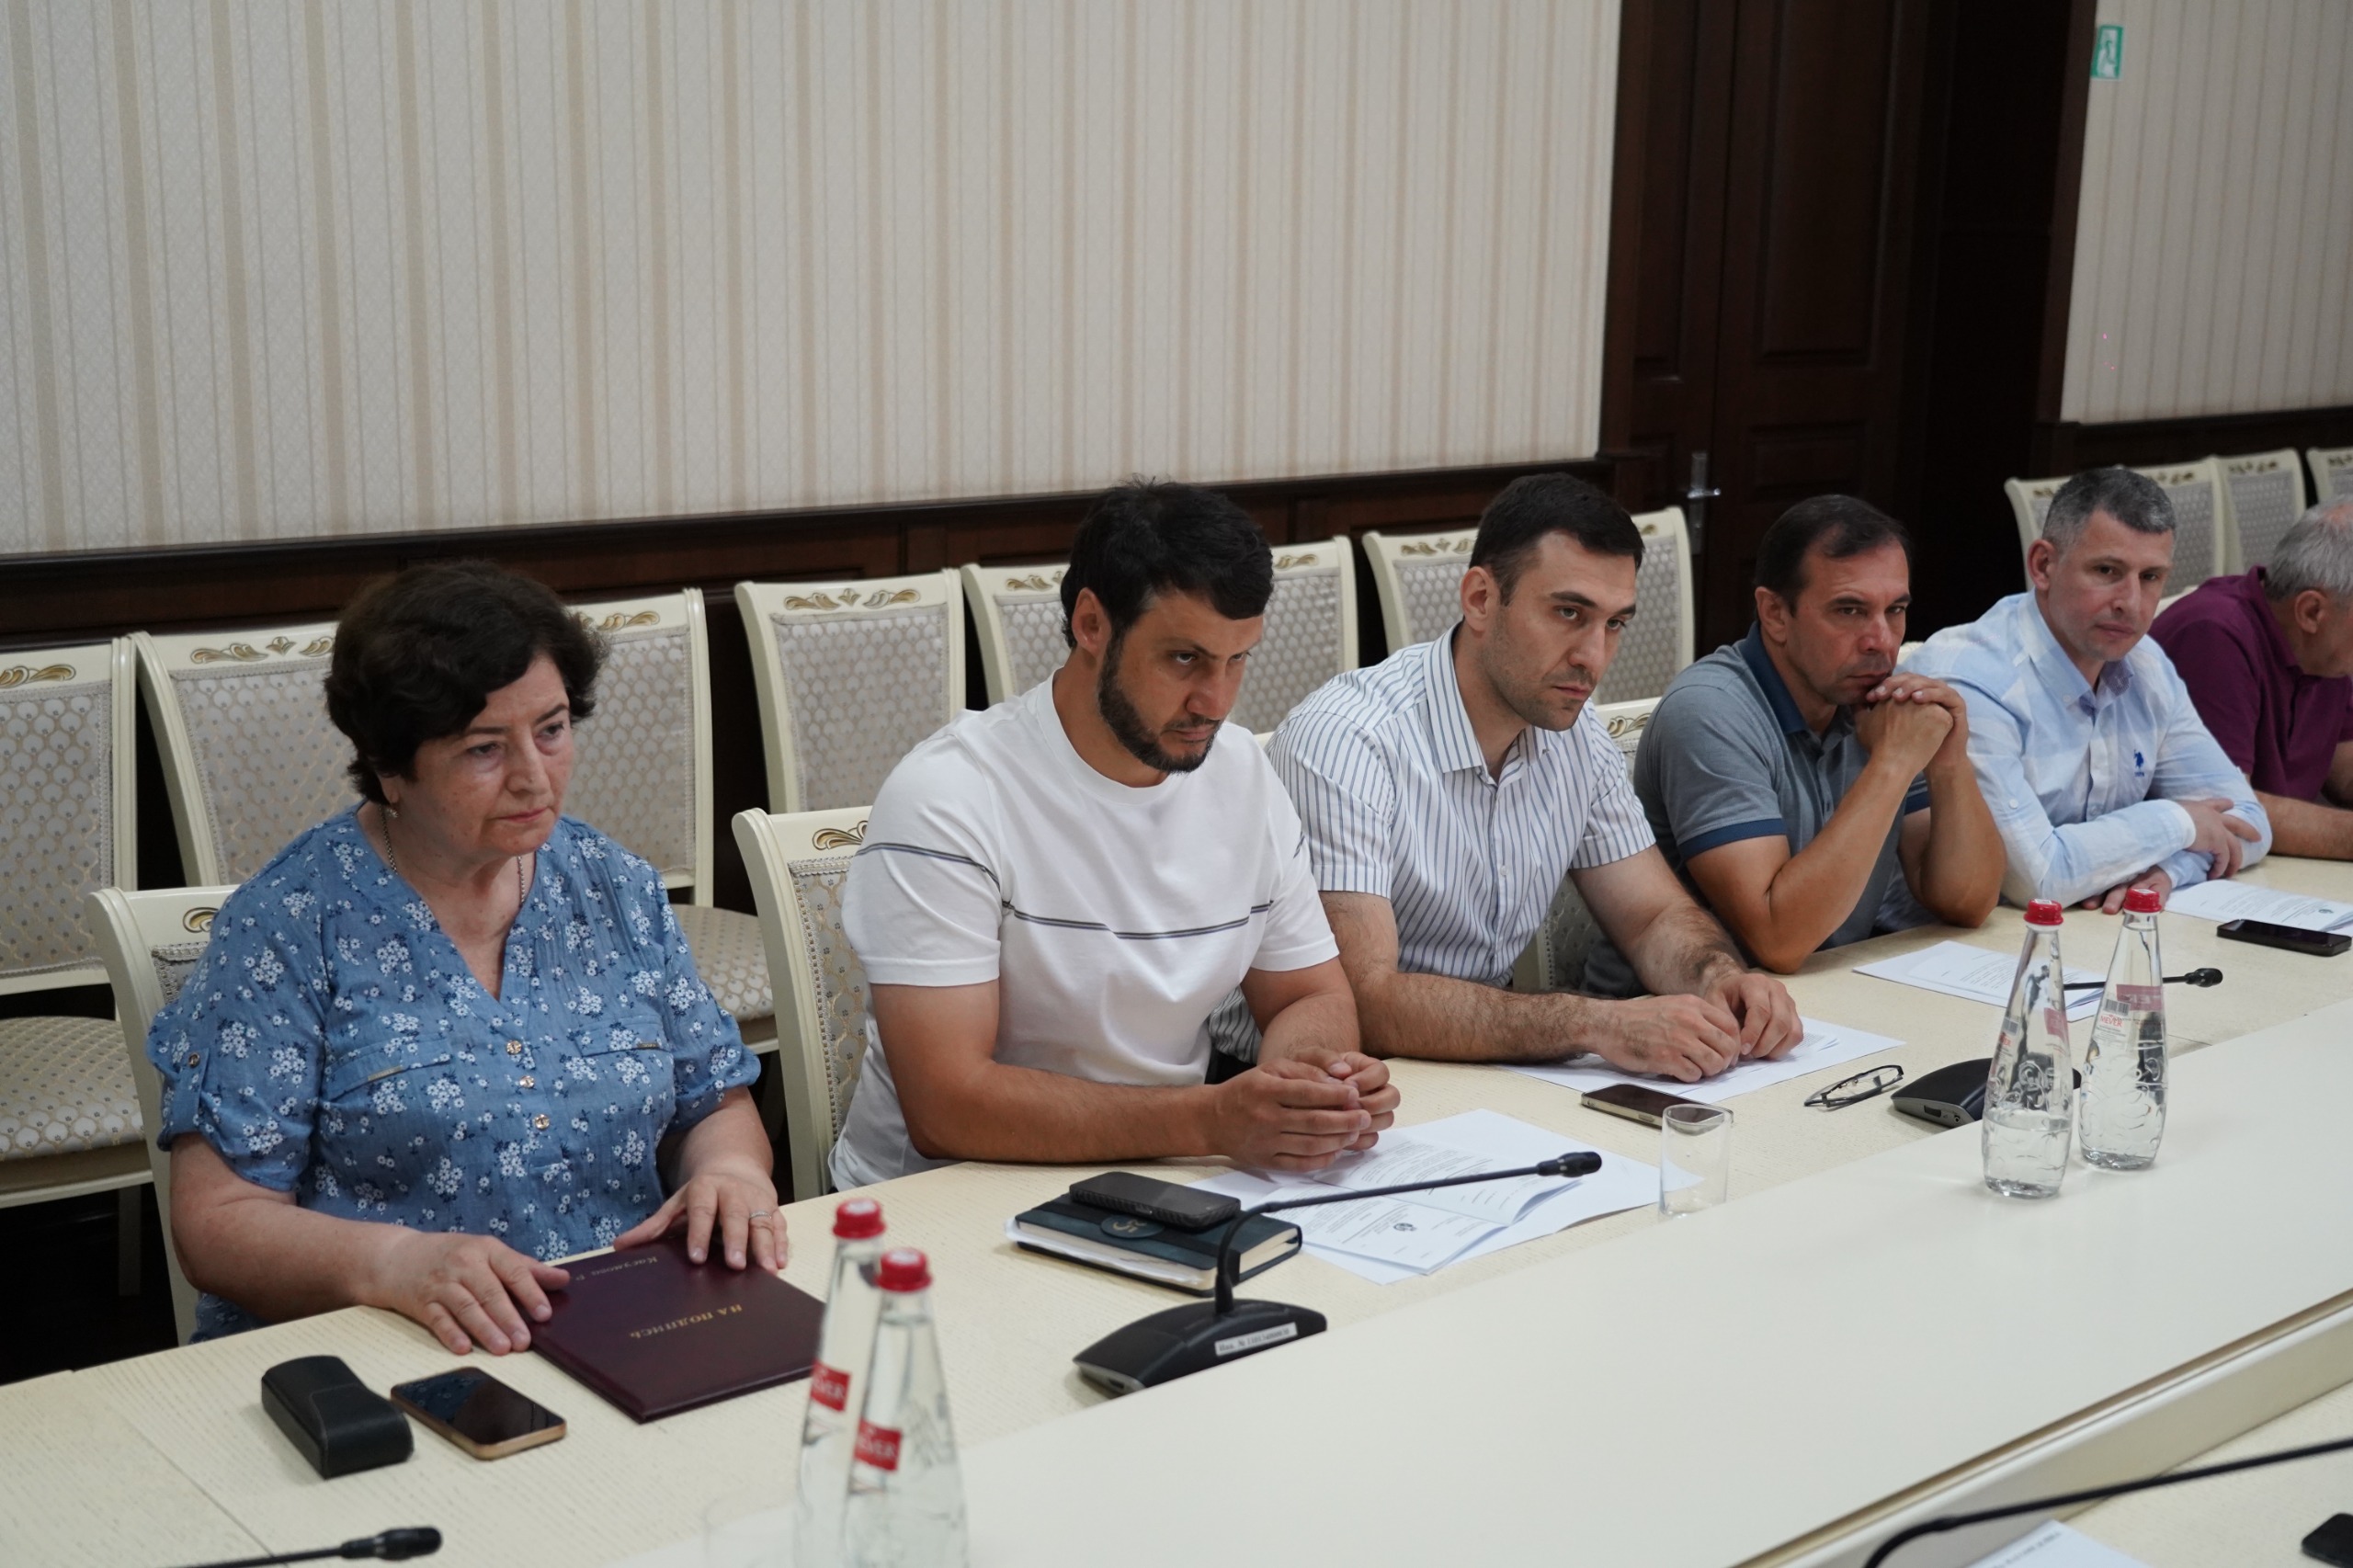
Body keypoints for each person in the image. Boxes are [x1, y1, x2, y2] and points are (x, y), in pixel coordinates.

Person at [147, 562, 777, 1351]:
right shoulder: (288, 926)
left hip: (619, 1322)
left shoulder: (614, 887)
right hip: (385, 1340)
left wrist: (730, 1174)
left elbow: (712, 1103)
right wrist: (393, 1263)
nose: (534, 779)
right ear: (390, 766)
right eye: (484, 749)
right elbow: (217, 1224)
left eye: (552, 730)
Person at [830, 480, 1396, 1190]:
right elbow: (946, 1106)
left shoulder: (1243, 773)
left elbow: (1309, 996)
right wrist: (1210, 1121)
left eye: (1238, 660)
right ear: (1092, 625)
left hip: (1162, 1175)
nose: (1215, 702)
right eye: (1184, 659)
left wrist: (1309, 1085)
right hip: (941, 1199)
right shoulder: (949, 795)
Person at [1268, 472, 1802, 1084]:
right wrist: (1594, 1023)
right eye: (1568, 613)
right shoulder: (1348, 739)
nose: (1593, 657)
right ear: (1480, 599)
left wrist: (1719, 978)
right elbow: (1365, 999)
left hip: (1477, 1073)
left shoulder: (1575, 732)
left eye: (1615, 624)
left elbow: (1653, 916)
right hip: (1311, 1083)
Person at [1582, 497, 2001, 990]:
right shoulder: (1710, 710)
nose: (1882, 641)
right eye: (1850, 611)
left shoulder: (1876, 705)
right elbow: (1779, 939)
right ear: (1776, 614)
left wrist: (1949, 761)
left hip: (1819, 998)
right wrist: (1892, 765)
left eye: (1896, 610)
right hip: (1665, 1015)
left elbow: (1968, 902)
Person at [1908, 466, 2271, 911]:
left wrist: (2170, 870)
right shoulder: (1973, 679)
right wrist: (2179, 822)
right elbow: (2039, 879)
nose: (2131, 603)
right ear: (2043, 565)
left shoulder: (2146, 663)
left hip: (2080, 932)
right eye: (2106, 570)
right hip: (1931, 943)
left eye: (2151, 577)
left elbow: (2251, 823)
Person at [2151, 499, 2353, 858]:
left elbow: (2344, 768)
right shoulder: (2214, 635)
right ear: (2311, 611)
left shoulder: (2326, 650)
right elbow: (2229, 810)